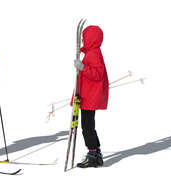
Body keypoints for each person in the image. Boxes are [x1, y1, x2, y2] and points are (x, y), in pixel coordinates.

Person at [74, 25, 109, 168]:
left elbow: (97, 74)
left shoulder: (93, 54)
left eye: (84, 38)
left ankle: (92, 155)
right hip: (88, 95)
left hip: (89, 96)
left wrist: (82, 67)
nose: (82, 41)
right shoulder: (92, 53)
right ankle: (96, 154)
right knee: (89, 126)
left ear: (91, 39)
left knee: (87, 127)